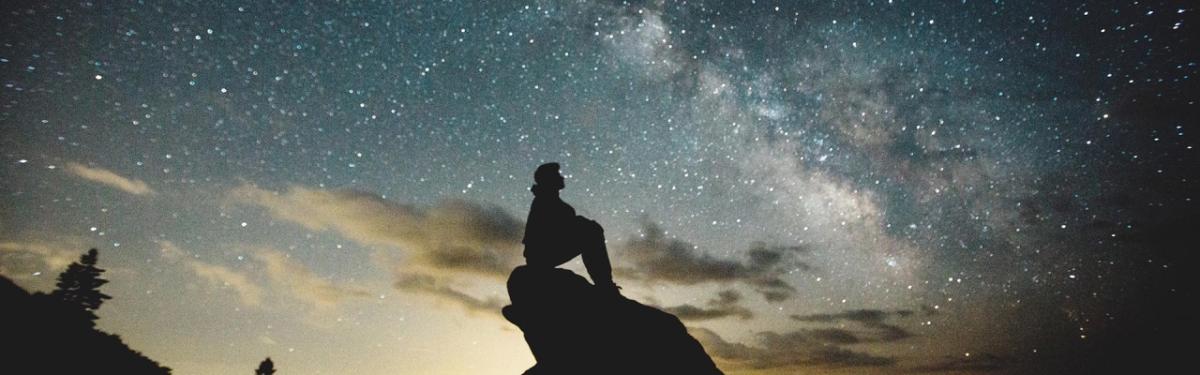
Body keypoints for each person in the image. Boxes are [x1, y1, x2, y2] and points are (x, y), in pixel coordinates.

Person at [522, 162, 619, 295]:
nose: (562, 177)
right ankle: (604, 284)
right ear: (549, 179)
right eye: (557, 175)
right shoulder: (545, 201)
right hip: (541, 255)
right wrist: (584, 224)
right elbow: (555, 230)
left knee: (591, 230)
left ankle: (604, 283)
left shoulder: (547, 199)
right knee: (592, 232)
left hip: (542, 253)